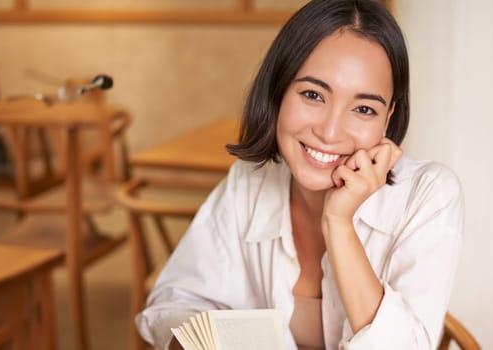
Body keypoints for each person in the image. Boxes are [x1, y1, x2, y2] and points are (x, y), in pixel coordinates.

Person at [136, 0, 465, 349]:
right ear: (279, 90)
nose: (330, 131)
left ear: (387, 118)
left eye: (364, 108)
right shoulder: (250, 181)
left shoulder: (430, 195)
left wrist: (338, 224)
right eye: (313, 94)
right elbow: (173, 303)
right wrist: (198, 341)